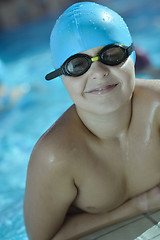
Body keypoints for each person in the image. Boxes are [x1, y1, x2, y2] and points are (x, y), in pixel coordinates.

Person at [23, 2, 160, 240]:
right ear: (63, 78)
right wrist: (135, 207)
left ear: (134, 56)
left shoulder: (157, 106)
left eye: (112, 55)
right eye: (77, 65)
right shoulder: (56, 156)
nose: (98, 73)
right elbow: (44, 238)